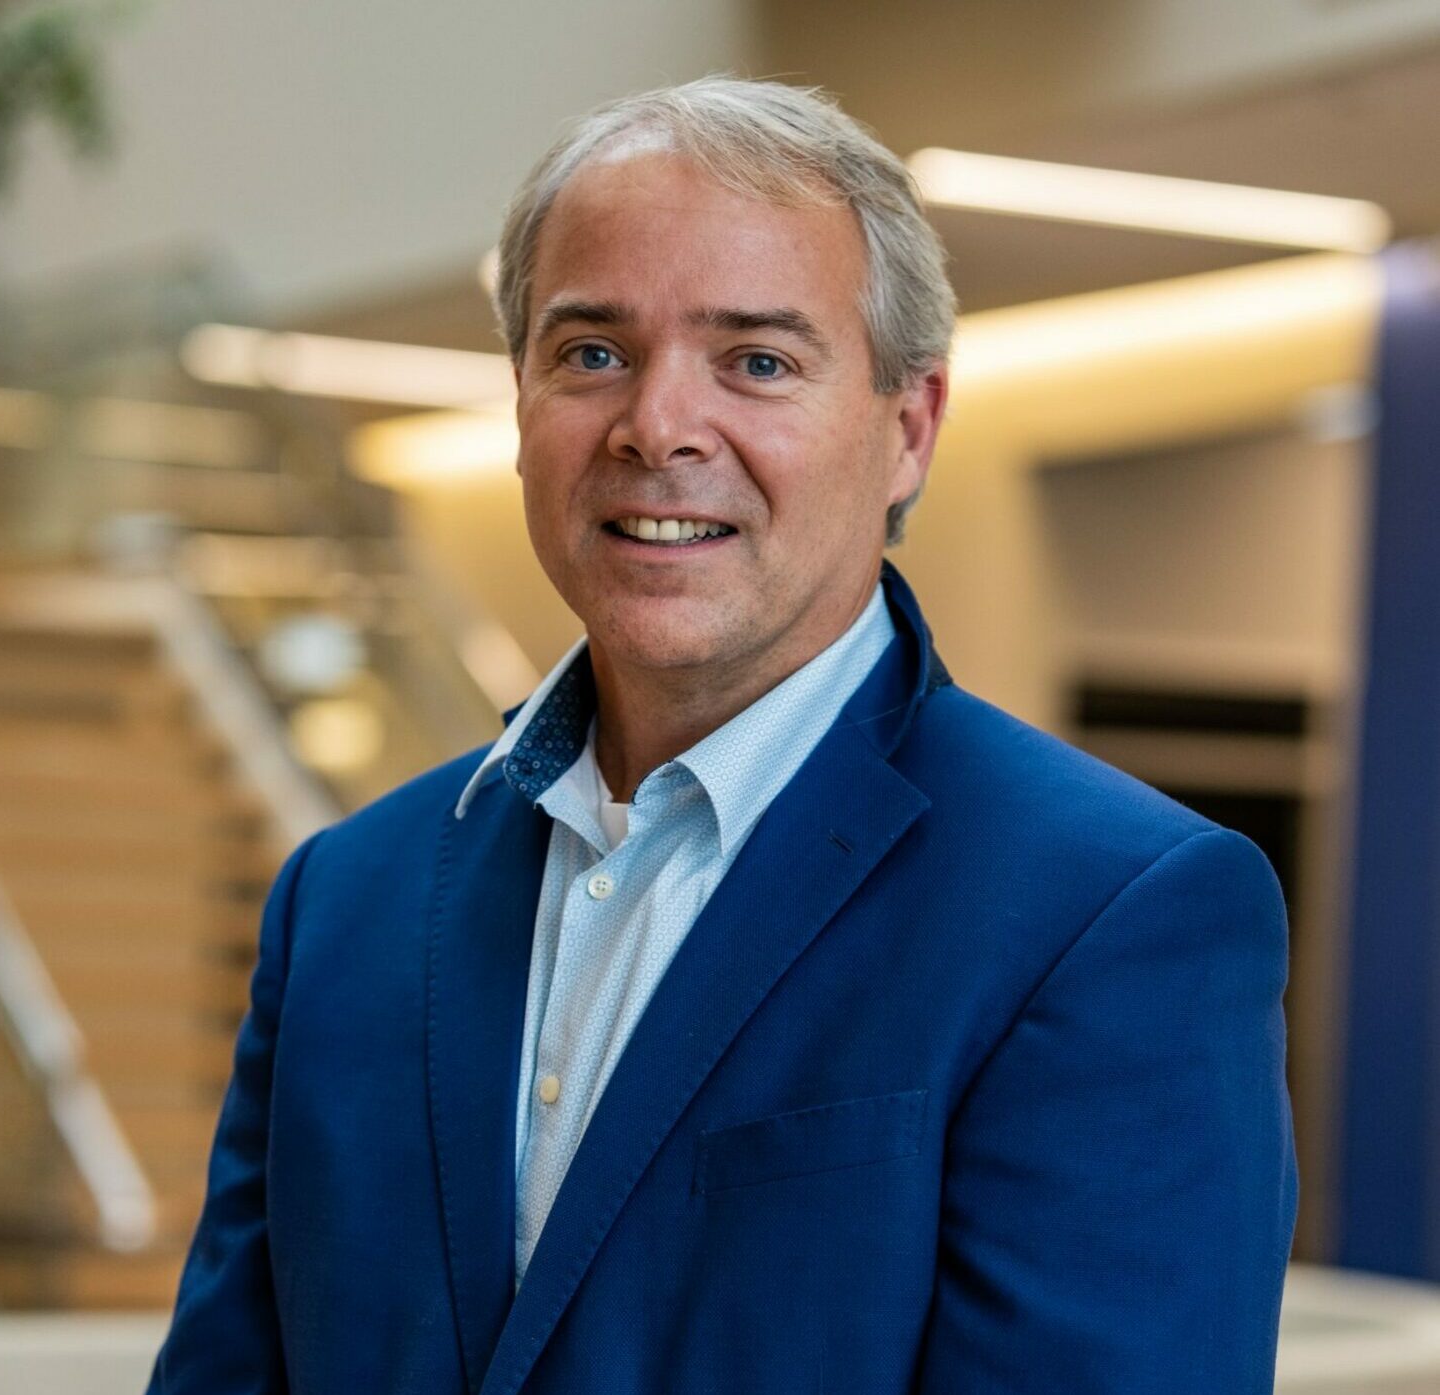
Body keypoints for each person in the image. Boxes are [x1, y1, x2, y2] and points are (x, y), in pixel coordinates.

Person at [147, 76, 1297, 1394]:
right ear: (519, 403)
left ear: (908, 429)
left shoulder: (1112, 915)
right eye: (593, 353)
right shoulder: (345, 901)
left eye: (758, 361)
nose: (657, 428)